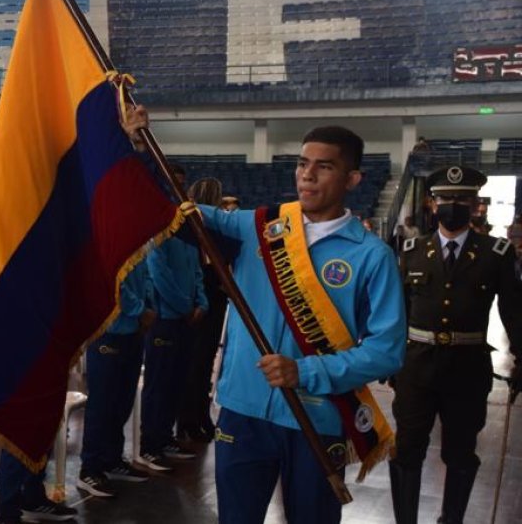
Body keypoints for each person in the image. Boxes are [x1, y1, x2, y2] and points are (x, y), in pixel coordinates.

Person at [125, 113, 405, 524]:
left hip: (318, 417)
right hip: (242, 410)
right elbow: (173, 212)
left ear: (353, 180)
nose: (307, 176)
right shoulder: (257, 227)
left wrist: (306, 371)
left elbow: (387, 350)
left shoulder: (371, 255)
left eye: (324, 166)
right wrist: (139, 151)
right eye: (302, 164)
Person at [389, 165, 522, 524]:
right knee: (406, 450)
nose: (453, 205)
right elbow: (397, 311)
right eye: (445, 198)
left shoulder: (497, 252)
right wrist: (389, 359)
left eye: (461, 198)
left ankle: (451, 520)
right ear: (433, 204)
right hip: (415, 367)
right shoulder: (412, 250)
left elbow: (514, 311)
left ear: (476, 204)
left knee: (461, 453)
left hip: (467, 369)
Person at [136, 197, 208, 472]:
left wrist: (202, 303)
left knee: (177, 381)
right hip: (166, 319)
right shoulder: (159, 237)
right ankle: (149, 445)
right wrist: (185, 306)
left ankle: (165, 438)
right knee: (158, 383)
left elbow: (198, 274)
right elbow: (160, 276)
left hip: (187, 320)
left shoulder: (188, 237)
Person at [77, 260, 155, 498]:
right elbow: (111, 283)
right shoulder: (110, 238)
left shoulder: (140, 241)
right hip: (109, 332)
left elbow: (148, 277)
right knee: (102, 404)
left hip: (134, 331)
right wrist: (141, 310)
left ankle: (111, 459)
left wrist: (148, 307)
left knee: (122, 402)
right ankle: (89, 468)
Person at [177, 177, 229, 443]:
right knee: (196, 364)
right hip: (201, 300)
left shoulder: (215, 227)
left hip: (211, 299)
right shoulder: (195, 226)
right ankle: (189, 419)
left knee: (202, 363)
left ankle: (198, 416)